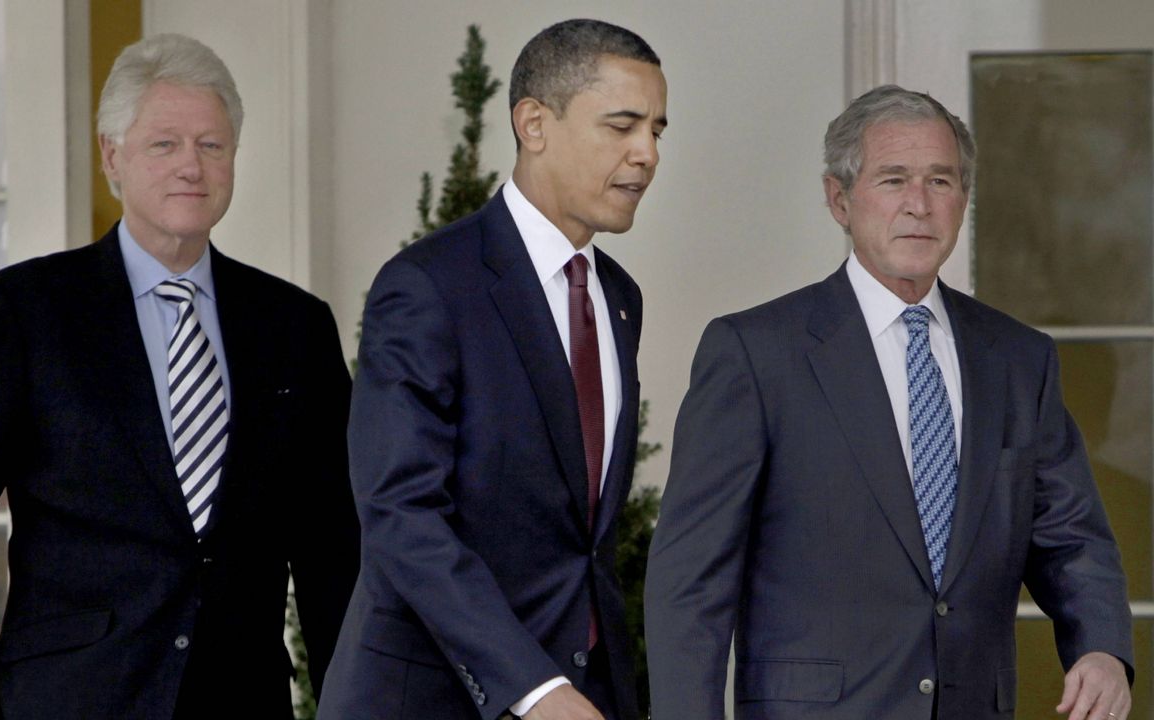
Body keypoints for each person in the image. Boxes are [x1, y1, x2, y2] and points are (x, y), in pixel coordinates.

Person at [0, 34, 359, 719]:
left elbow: (332, 557)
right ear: (114, 156)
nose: (191, 166)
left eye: (211, 145)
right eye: (165, 143)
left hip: (239, 701)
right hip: (69, 699)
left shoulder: (295, 328)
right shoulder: (24, 313)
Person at [645, 84, 1134, 720]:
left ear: (963, 199)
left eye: (941, 180)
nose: (919, 205)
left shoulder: (1019, 359)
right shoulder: (756, 353)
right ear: (838, 199)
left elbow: (1072, 538)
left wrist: (1100, 648)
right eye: (893, 179)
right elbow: (691, 580)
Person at [317, 18, 667, 720]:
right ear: (533, 123)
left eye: (658, 131)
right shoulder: (427, 285)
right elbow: (400, 514)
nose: (647, 154)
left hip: (587, 694)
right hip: (434, 698)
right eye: (622, 126)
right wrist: (533, 689)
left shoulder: (619, 297)